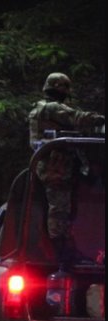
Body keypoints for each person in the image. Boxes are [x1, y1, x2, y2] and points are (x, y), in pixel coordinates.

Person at [28, 72, 105, 261]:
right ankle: (61, 252)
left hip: (50, 164)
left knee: (62, 209)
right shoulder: (52, 108)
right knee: (59, 210)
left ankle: (64, 248)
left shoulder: (40, 108)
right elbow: (79, 118)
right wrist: (100, 119)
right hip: (55, 167)